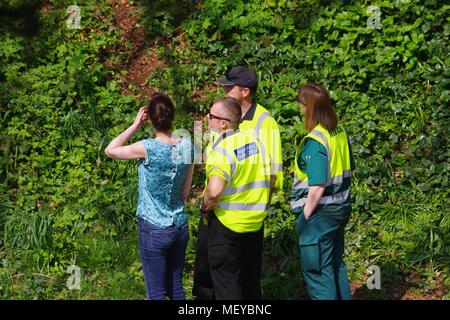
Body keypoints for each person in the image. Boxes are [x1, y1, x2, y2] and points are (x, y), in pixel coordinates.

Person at [193, 66, 283, 299]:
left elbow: (272, 172)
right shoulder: (223, 115)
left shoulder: (264, 122)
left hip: (237, 215)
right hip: (219, 209)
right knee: (209, 270)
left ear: (245, 91)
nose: (224, 89)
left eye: (229, 87)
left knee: (237, 278)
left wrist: (256, 204)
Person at [104, 93, 193, 300]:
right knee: (176, 289)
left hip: (154, 228)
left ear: (151, 120)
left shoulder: (147, 148)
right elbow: (186, 193)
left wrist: (135, 125)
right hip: (180, 225)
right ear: (173, 116)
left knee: (156, 294)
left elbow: (110, 150)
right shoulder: (188, 145)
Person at [198, 97, 270, 300]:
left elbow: (213, 191)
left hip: (227, 227)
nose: (206, 119)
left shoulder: (222, 150)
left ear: (223, 123)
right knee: (250, 284)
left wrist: (204, 208)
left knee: (227, 286)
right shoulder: (255, 142)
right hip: (254, 224)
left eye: (211, 116)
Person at [290, 83, 355, 300]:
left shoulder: (316, 140)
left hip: (319, 216)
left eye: (300, 104)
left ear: (307, 107)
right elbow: (349, 169)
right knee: (335, 267)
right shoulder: (339, 132)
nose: (299, 109)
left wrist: (306, 217)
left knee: (318, 273)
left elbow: (317, 185)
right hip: (340, 209)